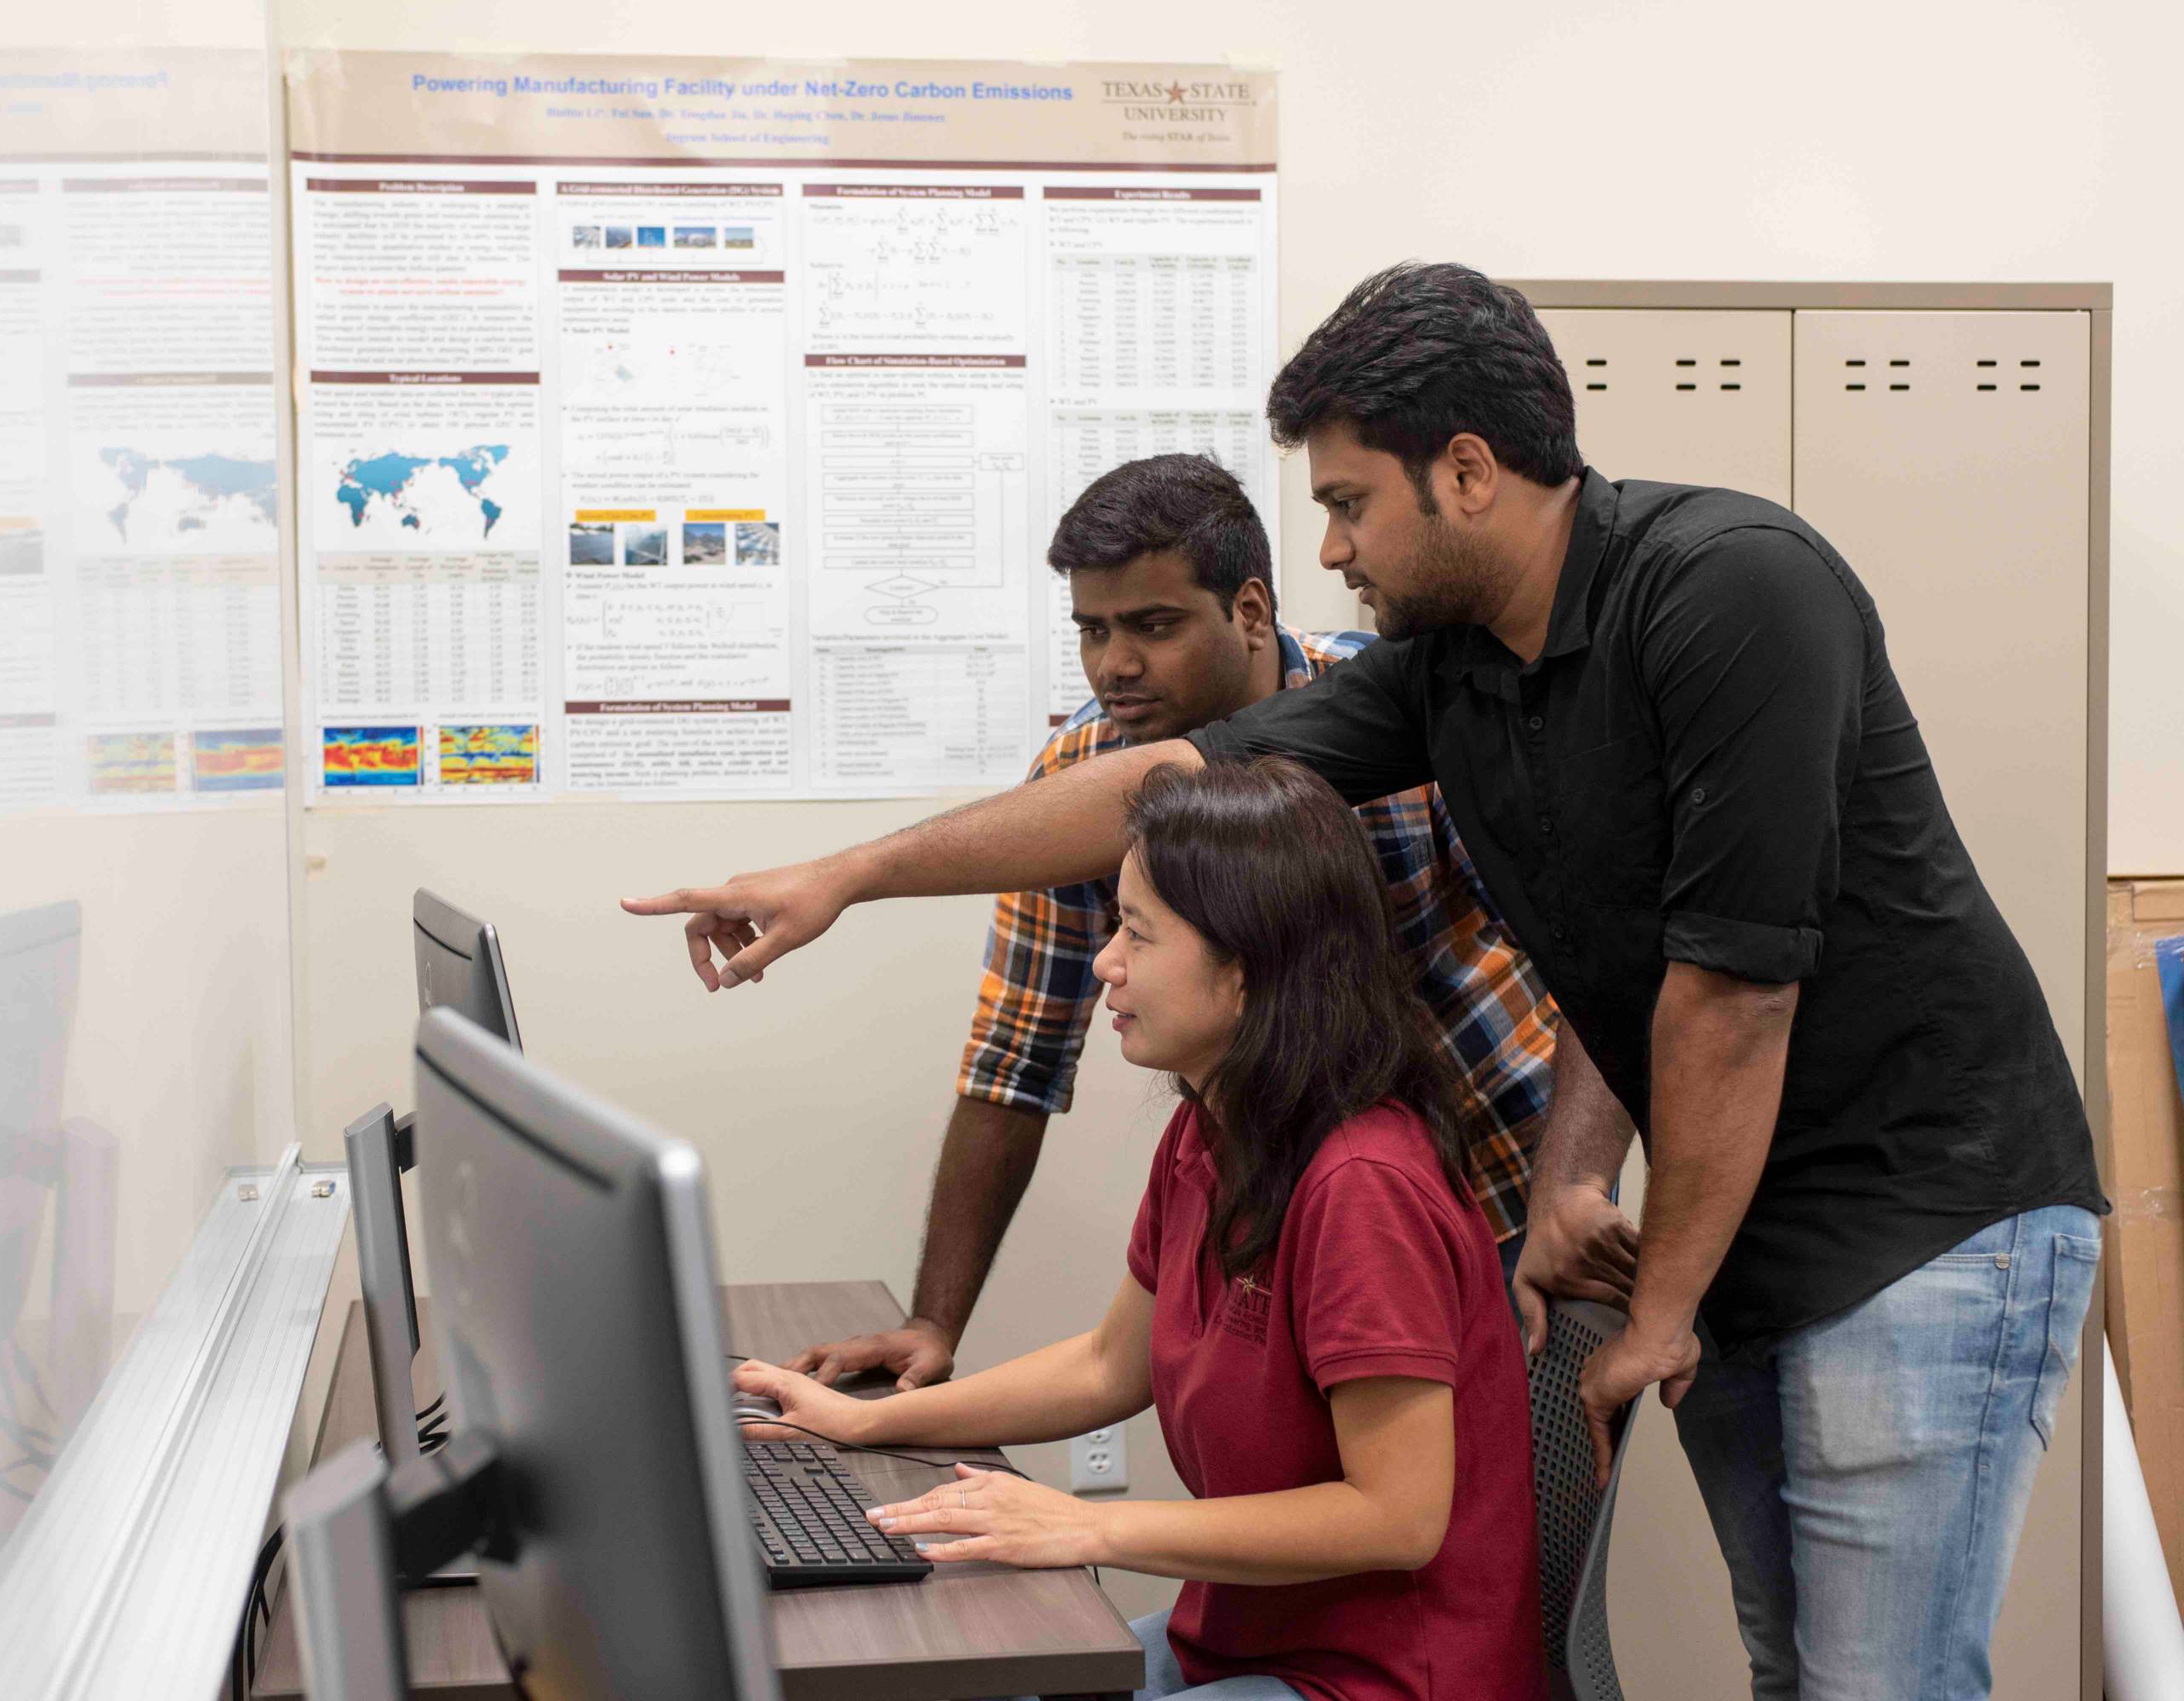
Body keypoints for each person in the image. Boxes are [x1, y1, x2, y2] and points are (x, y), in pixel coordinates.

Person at [632, 261, 2108, 1699]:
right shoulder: (1450, 669)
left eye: (1346, 503)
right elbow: (1183, 792)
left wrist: (1653, 1303)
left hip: (1929, 1210)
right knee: (1793, 1667)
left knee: (1877, 1679)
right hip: (1731, 1219)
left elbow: (1729, 987)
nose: (1330, 549)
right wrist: (846, 877)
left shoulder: (1728, 589)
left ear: (1464, 471)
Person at [781, 452, 1628, 1396]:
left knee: (1487, 1512)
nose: (1116, 664)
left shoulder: (1405, 709)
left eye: (1153, 625)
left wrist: (1570, 1189)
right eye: (1091, 631)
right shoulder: (1078, 778)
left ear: (1251, 611)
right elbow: (1011, 1060)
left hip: (1504, 1177)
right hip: (1287, 1210)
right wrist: (933, 1322)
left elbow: (1600, 959)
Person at [734, 759, 1547, 1701]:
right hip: (1244, 1638)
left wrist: (1089, 1527)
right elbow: (1105, 1366)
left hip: (1377, 1679)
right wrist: (862, 1422)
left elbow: (1395, 1516)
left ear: (1247, 972)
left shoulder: (1362, 1186)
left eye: (1136, 932)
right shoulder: (1211, 1127)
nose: (1104, 962)